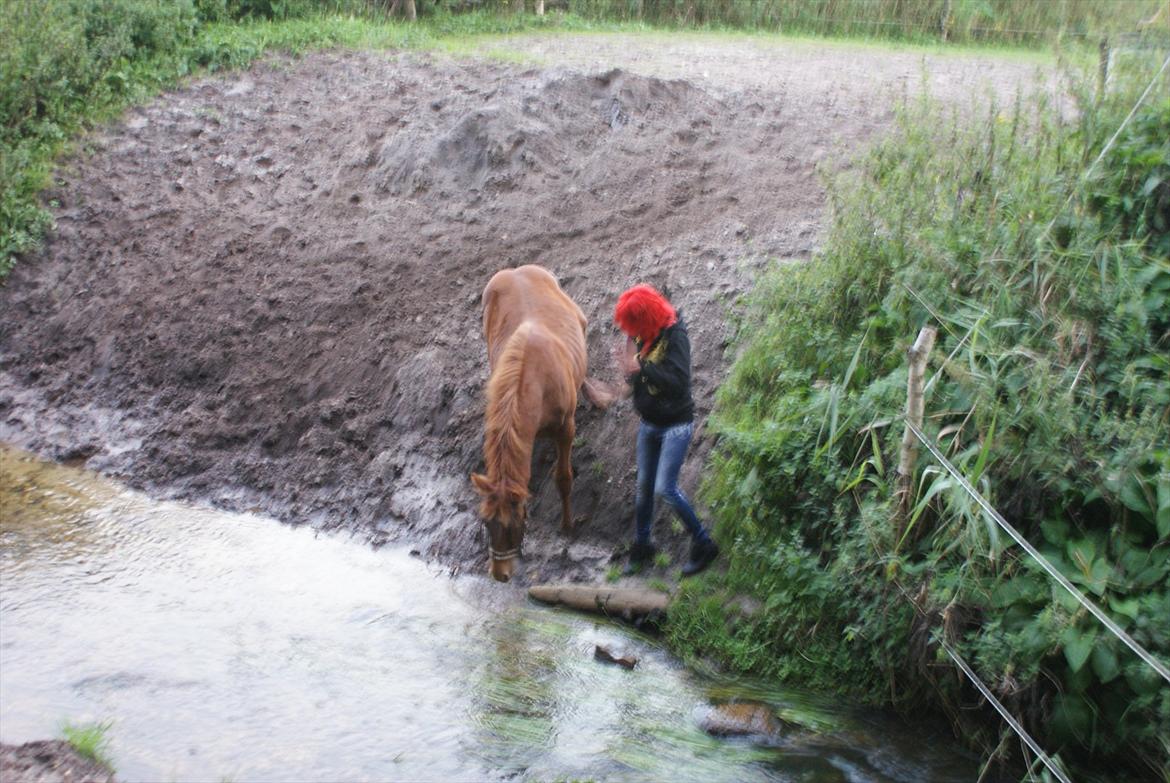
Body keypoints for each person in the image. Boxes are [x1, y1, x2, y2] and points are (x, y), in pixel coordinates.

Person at [613, 284, 719, 577]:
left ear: (648, 317)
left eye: (635, 325)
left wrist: (641, 369)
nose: (632, 332)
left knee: (666, 489)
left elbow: (679, 381)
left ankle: (704, 544)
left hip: (676, 425)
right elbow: (636, 373)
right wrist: (629, 374)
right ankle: (643, 545)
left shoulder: (676, 335)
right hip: (649, 423)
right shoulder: (639, 333)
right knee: (644, 489)